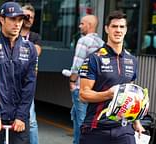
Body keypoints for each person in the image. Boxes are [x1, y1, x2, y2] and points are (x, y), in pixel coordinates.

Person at [78, 10, 145, 144]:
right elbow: (83, 95)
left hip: (123, 128)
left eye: (122, 27)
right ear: (106, 29)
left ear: (126, 30)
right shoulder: (94, 58)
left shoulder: (132, 60)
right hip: (96, 128)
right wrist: (109, 94)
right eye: (114, 26)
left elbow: (130, 95)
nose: (118, 30)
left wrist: (137, 121)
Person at [0, 2, 37, 144]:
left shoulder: (29, 49)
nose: (17, 24)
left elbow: (30, 85)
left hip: (19, 117)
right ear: (2, 20)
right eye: (12, 19)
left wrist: (22, 116)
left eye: (20, 20)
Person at [69, 15, 104, 144]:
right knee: (81, 117)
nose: (80, 26)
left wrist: (72, 82)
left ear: (89, 25)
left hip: (81, 87)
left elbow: (78, 65)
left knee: (81, 123)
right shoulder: (101, 43)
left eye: (82, 23)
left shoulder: (84, 40)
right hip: (94, 89)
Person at [21, 3, 42, 144]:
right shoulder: (11, 33)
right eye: (26, 16)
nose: (29, 19)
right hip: (8, 83)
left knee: (31, 121)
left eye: (32, 17)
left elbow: (36, 52)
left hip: (27, 84)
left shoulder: (35, 36)